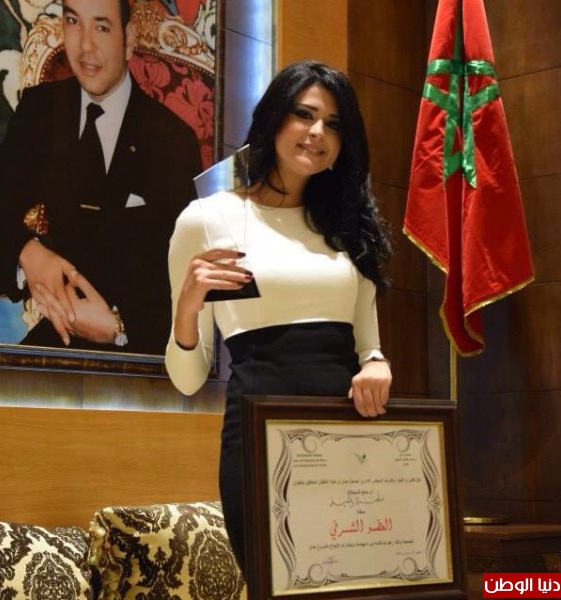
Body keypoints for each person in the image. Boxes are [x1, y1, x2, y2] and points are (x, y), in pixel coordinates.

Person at [165, 60, 393, 575]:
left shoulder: (347, 226)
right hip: (259, 438)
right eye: (304, 115)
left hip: (350, 437)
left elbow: (369, 347)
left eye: (333, 124)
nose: (317, 133)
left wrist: (377, 363)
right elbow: (187, 379)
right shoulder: (207, 218)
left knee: (355, 583)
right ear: (273, 119)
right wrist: (188, 305)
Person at [0, 0, 201, 354]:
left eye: (102, 27)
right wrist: (26, 254)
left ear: (129, 39)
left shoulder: (173, 139)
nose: (86, 46)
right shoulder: (41, 111)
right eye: (74, 22)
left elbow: (189, 277)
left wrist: (119, 328)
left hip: (142, 350)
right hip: (57, 342)